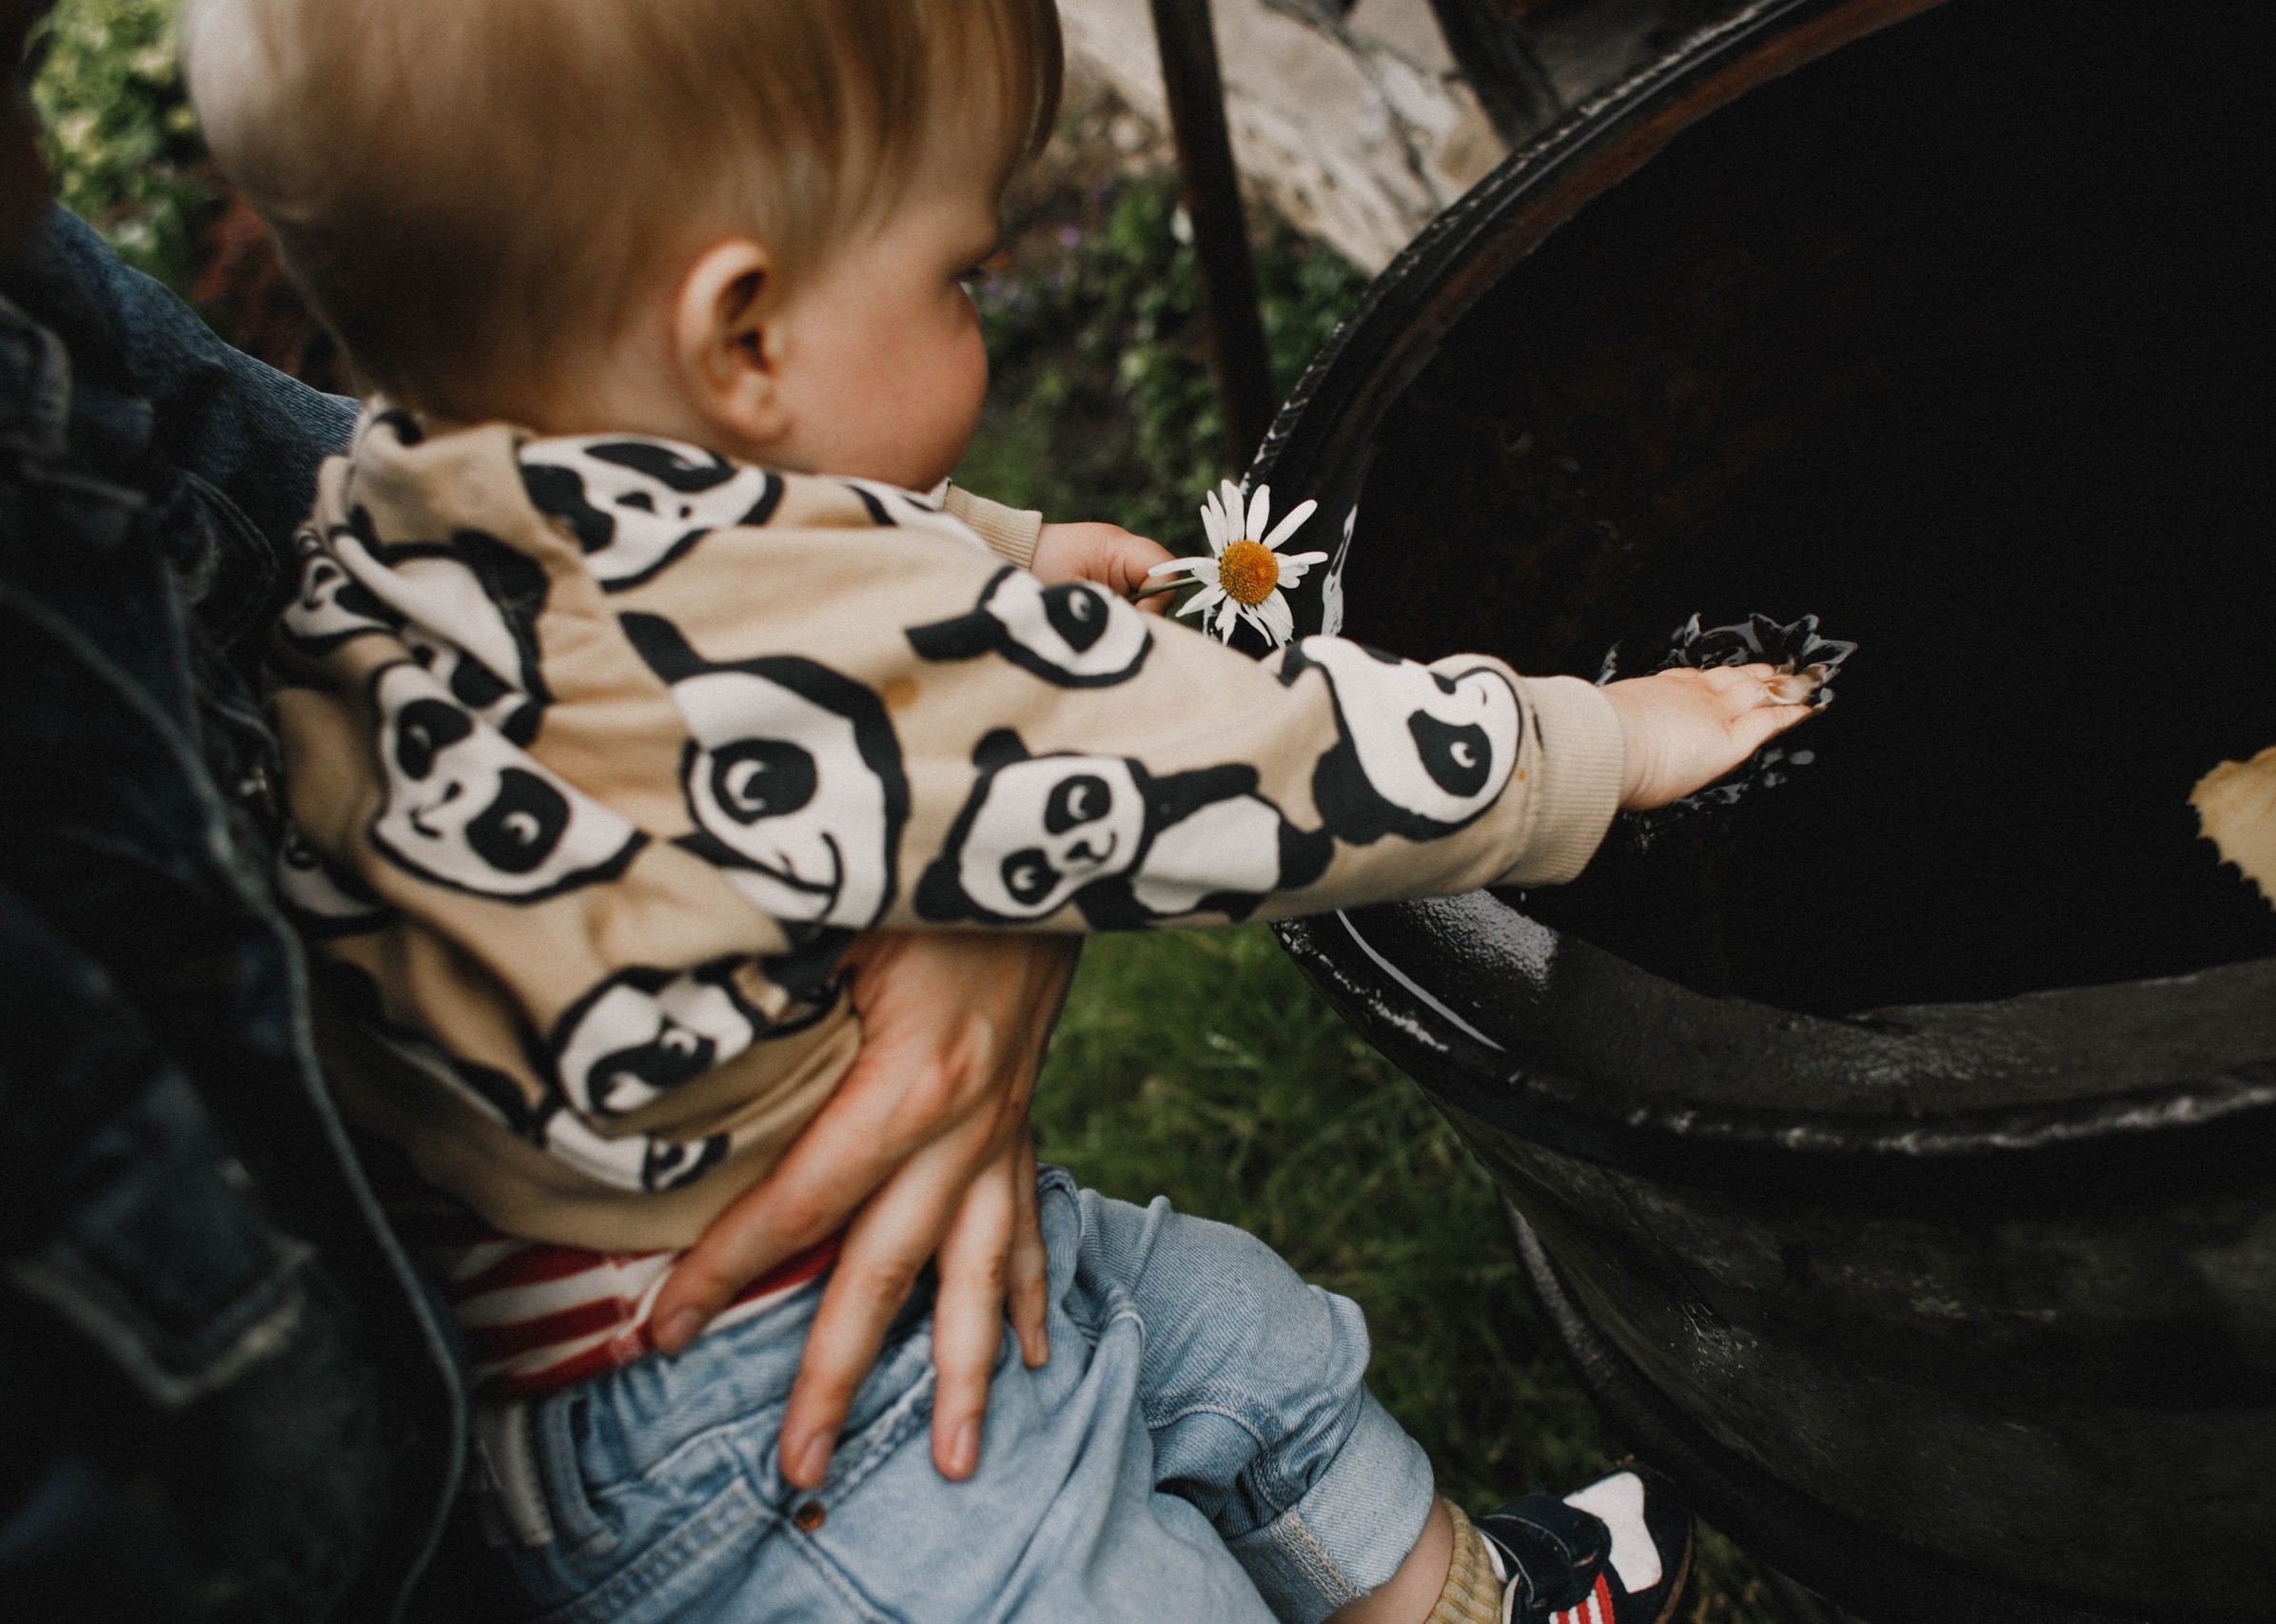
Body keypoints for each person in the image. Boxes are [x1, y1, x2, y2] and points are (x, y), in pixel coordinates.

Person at [181, 2, 1820, 1620]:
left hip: (683, 1297)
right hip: (799, 1449)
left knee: (1237, 1346)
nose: (975, 294)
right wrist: (1595, 740)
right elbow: (1241, 761)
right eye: (959, 274)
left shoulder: (399, 512)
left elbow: (717, 510)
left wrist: (992, 554)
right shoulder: (803, 649)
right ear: (743, 337)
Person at [0, 1, 1088, 1615]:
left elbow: (509, 536)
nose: (41, 177)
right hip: (710, 1446)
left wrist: (961, 780)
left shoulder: (37, 330)